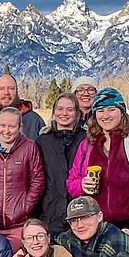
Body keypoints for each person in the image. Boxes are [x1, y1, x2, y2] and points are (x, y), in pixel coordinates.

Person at [67, 87, 129, 237]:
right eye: (100, 110)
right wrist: (81, 185)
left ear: (122, 112)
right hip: (94, 228)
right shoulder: (88, 145)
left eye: (111, 109)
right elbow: (71, 183)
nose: (106, 115)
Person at [0, 107, 45, 252]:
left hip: (19, 224)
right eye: (2, 125)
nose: (6, 131)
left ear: (19, 127)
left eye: (12, 126)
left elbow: (37, 181)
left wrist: (25, 207)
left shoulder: (29, 147)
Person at [35, 93, 86, 234]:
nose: (64, 113)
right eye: (60, 109)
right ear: (54, 112)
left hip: (79, 212)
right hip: (49, 213)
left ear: (77, 113)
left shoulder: (86, 140)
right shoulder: (42, 141)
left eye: (70, 110)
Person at [0, 74, 44, 139]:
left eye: (11, 88)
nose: (6, 92)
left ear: (17, 91)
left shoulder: (34, 121)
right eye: (1, 89)